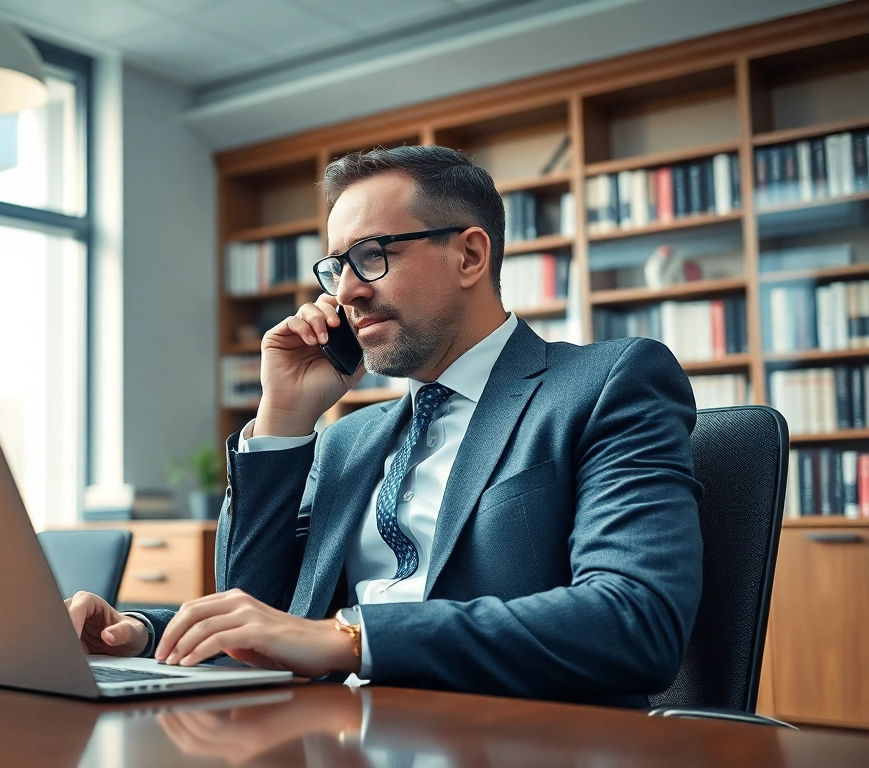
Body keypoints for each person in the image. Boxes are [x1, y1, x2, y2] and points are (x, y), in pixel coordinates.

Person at [66, 145, 703, 708]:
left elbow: (634, 620)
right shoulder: (349, 438)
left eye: (370, 257)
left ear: (470, 255)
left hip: (513, 738)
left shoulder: (607, 383)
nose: (345, 293)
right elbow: (266, 608)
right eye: (335, 266)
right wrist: (144, 630)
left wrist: (350, 638)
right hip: (334, 735)